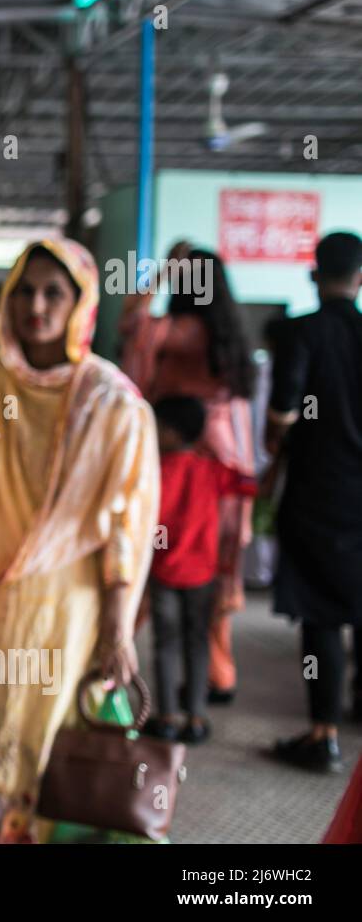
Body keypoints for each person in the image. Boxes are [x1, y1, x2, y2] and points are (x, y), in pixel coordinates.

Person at [0, 238, 160, 842]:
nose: (37, 305)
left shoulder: (111, 403)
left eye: (54, 292)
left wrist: (117, 629)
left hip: (70, 606)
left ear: (81, 303)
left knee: (50, 738)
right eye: (26, 290)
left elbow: (128, 529)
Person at [120, 245, 256, 704]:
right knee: (213, 572)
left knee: (160, 565)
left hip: (183, 462)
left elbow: (134, 323)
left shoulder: (184, 331)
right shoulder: (226, 337)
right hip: (226, 462)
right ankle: (219, 675)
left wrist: (161, 271)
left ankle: (126, 664)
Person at [267, 231, 362, 774]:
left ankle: (323, 734)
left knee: (320, 616)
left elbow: (283, 412)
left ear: (314, 272)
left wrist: (276, 442)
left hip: (317, 492)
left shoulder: (303, 333)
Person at [144, 395, 257, 744]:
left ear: (173, 433)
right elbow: (249, 484)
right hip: (203, 574)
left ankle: (165, 717)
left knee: (165, 644)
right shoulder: (210, 471)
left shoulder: (154, 470)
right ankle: (196, 718)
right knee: (198, 643)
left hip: (163, 572)